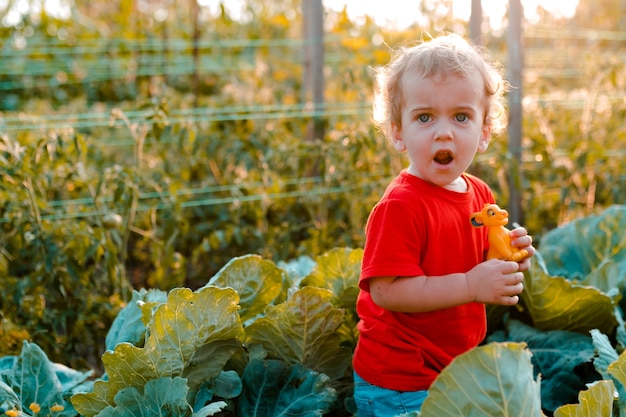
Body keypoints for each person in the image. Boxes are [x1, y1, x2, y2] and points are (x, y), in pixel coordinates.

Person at [352, 33, 535, 416]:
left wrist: (512, 256)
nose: (443, 131)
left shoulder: (480, 193)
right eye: (424, 117)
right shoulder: (400, 206)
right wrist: (471, 285)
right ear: (397, 131)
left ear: (484, 131)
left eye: (461, 116)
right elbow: (387, 292)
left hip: (451, 367)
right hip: (400, 380)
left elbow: (481, 251)